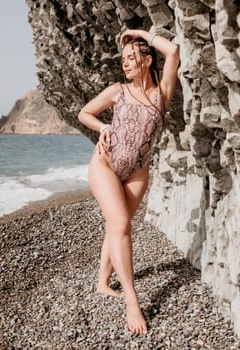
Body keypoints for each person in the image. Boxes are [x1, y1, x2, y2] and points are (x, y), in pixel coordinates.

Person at [78, 28, 179, 335]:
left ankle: (102, 283)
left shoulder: (161, 95)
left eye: (132, 57)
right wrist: (102, 126)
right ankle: (132, 303)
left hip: (137, 173)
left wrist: (139, 34)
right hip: (105, 164)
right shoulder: (117, 91)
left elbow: (173, 52)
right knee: (121, 224)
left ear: (147, 60)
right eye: (123, 59)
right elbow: (84, 113)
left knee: (116, 225)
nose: (126, 63)